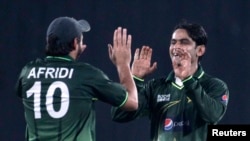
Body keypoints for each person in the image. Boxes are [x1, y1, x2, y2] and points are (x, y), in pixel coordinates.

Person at [15, 16, 138, 141]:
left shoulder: (28, 72)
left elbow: (26, 93)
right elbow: (132, 102)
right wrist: (123, 64)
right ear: (75, 43)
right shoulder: (86, 75)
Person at [111, 21, 229, 141]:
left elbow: (212, 115)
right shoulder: (155, 87)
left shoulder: (214, 86)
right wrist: (136, 79)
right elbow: (119, 115)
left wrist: (188, 79)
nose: (176, 47)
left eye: (184, 42)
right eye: (173, 42)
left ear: (200, 50)